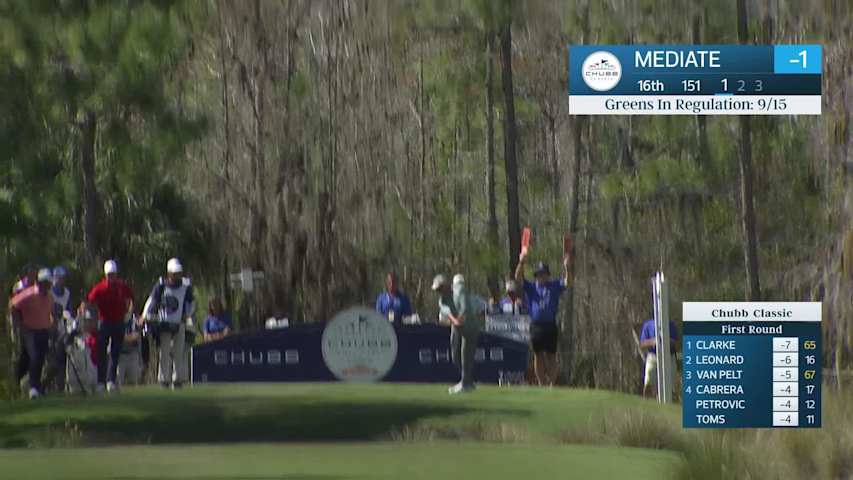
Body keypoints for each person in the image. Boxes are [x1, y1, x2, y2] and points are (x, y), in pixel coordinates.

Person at [515, 245, 573, 387]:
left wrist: (567, 267)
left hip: (550, 325)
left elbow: (569, 282)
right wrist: (521, 262)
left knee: (551, 356)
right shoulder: (531, 287)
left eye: (544, 274)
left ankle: (552, 383)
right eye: (539, 274)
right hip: (536, 325)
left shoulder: (554, 285)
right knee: (538, 355)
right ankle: (541, 383)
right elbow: (517, 278)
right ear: (536, 275)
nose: (542, 276)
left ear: (548, 275)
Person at [83, 259, 134, 394]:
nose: (111, 277)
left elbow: (130, 299)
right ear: (105, 275)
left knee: (116, 353)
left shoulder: (121, 286)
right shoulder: (99, 288)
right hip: (104, 323)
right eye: (109, 275)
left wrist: (128, 312)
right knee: (101, 353)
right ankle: (101, 382)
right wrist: (91, 318)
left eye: (113, 275)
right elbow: (89, 302)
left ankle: (111, 380)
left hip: (119, 323)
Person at [143, 258, 195, 389]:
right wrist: (147, 315)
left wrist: (187, 314)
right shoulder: (161, 285)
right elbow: (153, 300)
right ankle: (163, 379)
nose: (177, 275)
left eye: (179, 273)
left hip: (179, 322)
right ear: (169, 273)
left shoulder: (185, 286)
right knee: (164, 352)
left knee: (179, 352)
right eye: (175, 273)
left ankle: (178, 379)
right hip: (164, 323)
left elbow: (191, 303)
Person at [433, 274, 485, 395]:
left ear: (446, 286)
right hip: (457, 328)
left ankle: (465, 384)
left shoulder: (459, 290)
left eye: (440, 288)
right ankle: (468, 381)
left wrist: (459, 318)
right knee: (455, 356)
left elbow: (465, 307)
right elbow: (448, 314)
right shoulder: (442, 301)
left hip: (471, 327)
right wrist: (454, 320)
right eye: (437, 290)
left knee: (465, 356)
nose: (439, 291)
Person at [10, 268, 55, 399]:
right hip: (29, 330)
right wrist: (19, 324)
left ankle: (15, 381)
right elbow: (13, 305)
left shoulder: (49, 297)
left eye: (49, 283)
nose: (48, 285)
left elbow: (48, 314)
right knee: (35, 356)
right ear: (39, 282)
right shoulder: (29, 294)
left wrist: (51, 325)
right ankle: (34, 387)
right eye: (45, 283)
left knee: (28, 359)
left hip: (43, 331)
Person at [44, 266, 73, 393]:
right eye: (58, 278)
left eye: (62, 278)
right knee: (51, 360)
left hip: (62, 330)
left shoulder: (66, 293)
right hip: (49, 329)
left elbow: (68, 310)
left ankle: (60, 387)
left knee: (62, 359)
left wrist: (67, 317)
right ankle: (46, 385)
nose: (61, 280)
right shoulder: (49, 293)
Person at [639, 316, 680, 398]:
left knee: (671, 386)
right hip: (653, 357)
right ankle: (648, 404)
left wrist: (670, 341)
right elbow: (642, 344)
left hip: (669, 356)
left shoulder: (671, 325)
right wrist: (653, 341)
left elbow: (678, 344)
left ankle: (670, 405)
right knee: (649, 383)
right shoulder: (648, 325)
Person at [116, 314, 143, 386]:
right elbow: (116, 336)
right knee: (117, 382)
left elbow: (136, 336)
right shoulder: (116, 320)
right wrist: (127, 337)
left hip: (133, 355)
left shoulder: (134, 320)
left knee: (134, 382)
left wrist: (123, 337)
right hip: (120, 356)